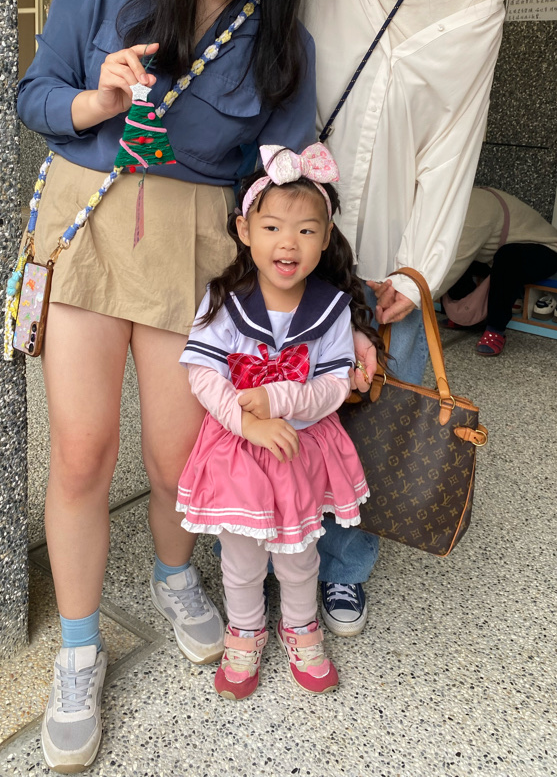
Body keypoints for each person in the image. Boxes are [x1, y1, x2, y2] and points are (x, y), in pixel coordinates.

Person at [15, 0, 316, 773]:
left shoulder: (284, 38)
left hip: (195, 246)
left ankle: (174, 576)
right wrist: (97, 100)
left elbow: (283, 185)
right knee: (82, 452)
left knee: (181, 454)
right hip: (90, 219)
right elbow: (34, 95)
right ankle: (78, 649)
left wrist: (301, 295)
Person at [300, 0, 506, 635]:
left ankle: (346, 567)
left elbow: (452, 153)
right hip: (287, 243)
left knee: (370, 414)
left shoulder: (473, 3)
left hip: (387, 256)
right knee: (278, 403)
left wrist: (418, 272)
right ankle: (272, 550)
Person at [176, 145, 383, 699]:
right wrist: (249, 424)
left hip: (300, 449)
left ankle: (301, 627)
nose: (288, 243)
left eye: (306, 231)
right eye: (271, 227)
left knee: (299, 555)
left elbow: (336, 385)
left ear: (327, 237)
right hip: (238, 451)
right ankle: (245, 632)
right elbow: (203, 376)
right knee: (241, 557)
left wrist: (281, 399)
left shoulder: (332, 309)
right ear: (245, 230)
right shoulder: (224, 299)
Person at [437, 187, 557, 356]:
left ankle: (495, 328)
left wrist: (414, 301)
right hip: (495, 252)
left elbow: (458, 261)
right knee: (448, 254)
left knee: (507, 258)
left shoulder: (475, 209)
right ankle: (467, 314)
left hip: (548, 250)